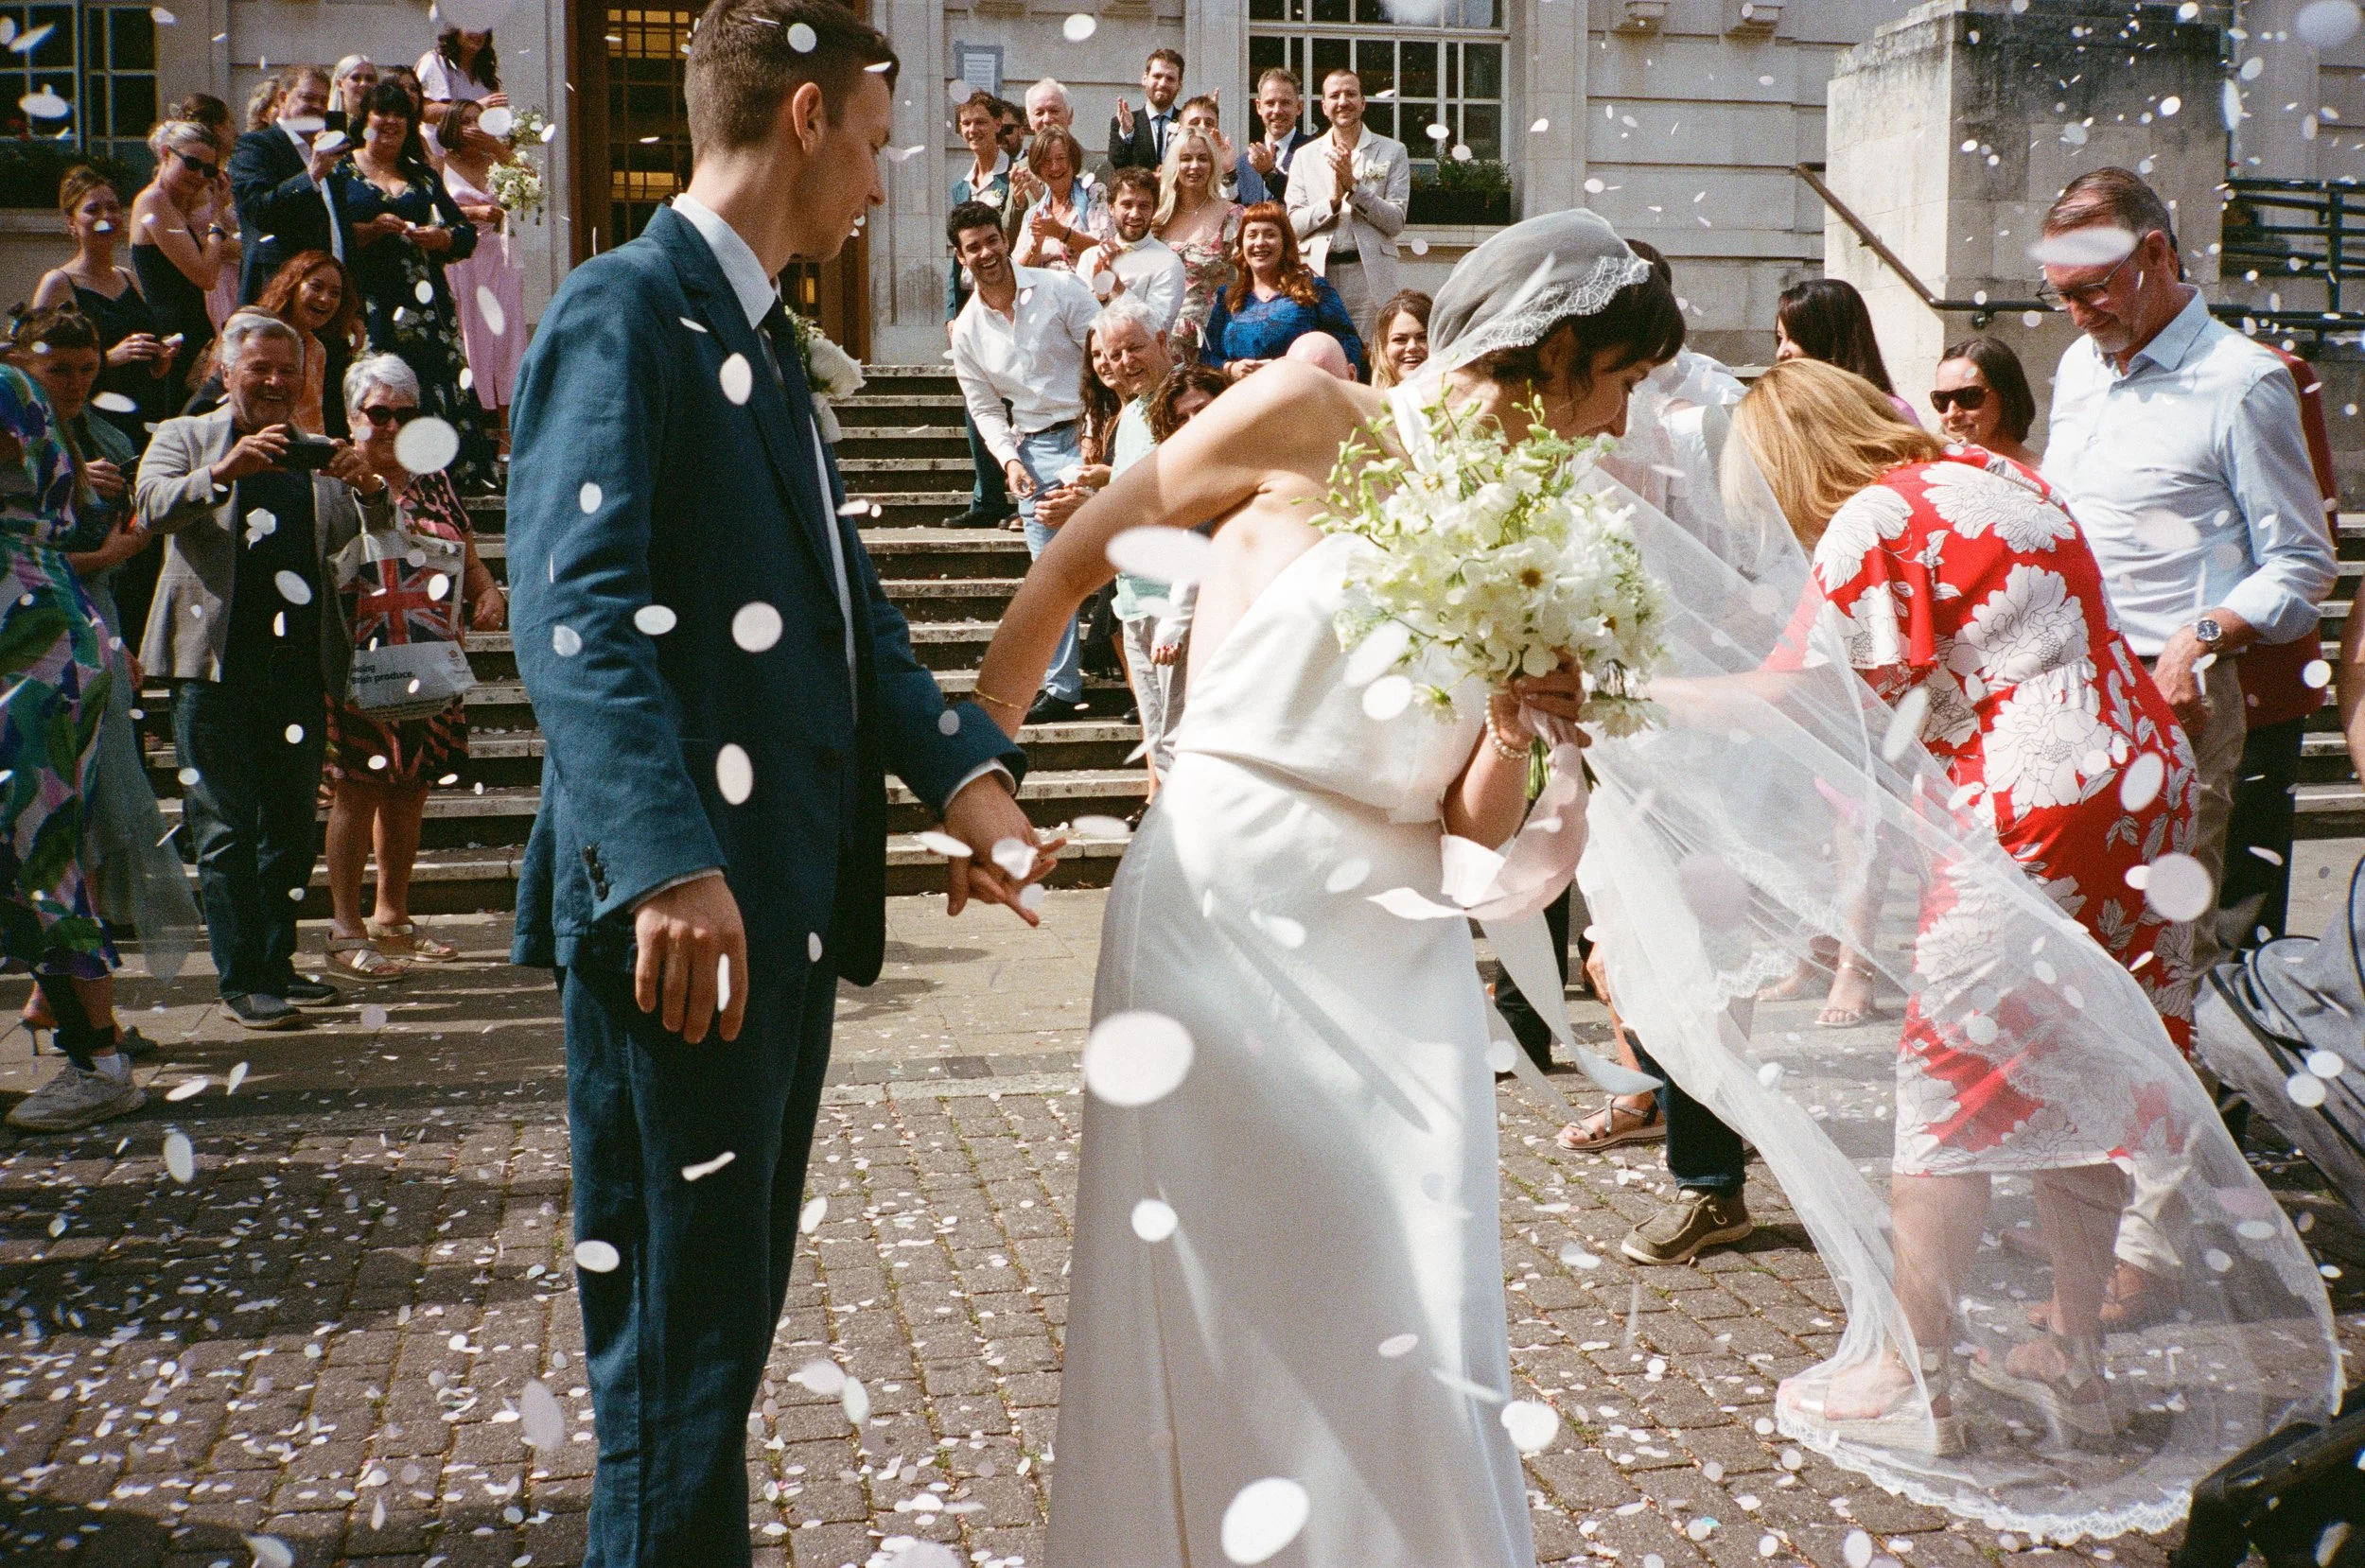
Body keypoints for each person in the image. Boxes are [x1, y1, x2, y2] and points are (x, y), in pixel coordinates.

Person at [972, 207, 1668, 1565]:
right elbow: (1072, 561)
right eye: (1622, 382)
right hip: (1225, 897)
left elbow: (1471, 831)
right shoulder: (1304, 413)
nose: (1622, 424)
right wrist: (977, 778)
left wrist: (1518, 724)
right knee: (1220, 1299)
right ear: (1558, 352)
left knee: (1418, 1301)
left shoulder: (1549, 536)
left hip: (1399, 948)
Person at [505, 7, 1044, 1561]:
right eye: (873, 142)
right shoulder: (625, 308)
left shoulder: (749, 332)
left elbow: (841, 614)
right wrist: (665, 860)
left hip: (772, 916)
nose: (882, 183)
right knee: (679, 1365)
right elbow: (573, 613)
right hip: (685, 927)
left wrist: (972, 786)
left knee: (717, 1342)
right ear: (805, 116)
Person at [1735, 353, 2213, 1450]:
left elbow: (1790, 693)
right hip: (2139, 784)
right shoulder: (1997, 473)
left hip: (2030, 801)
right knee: (2077, 1071)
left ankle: (1918, 1382)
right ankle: (2074, 1362)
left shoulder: (1868, 515)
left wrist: (1626, 688)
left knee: (1941, 1086)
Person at [135, 312, 391, 1030]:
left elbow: (371, 540)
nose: (276, 382)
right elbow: (148, 507)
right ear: (226, 373)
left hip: (298, 668)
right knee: (223, 829)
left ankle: (277, 964)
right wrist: (224, 472)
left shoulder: (316, 453)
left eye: (288, 371)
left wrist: (369, 488)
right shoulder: (184, 437)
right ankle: (241, 978)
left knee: (289, 827)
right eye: (260, 369)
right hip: (212, 667)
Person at [7, 310, 201, 1035]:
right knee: (51, 831)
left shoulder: (65, 431)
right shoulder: (40, 431)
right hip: (57, 621)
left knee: (61, 829)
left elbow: (47, 552)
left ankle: (92, 1034)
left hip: (54, 632)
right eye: (59, 369)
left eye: (86, 370)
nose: (74, 383)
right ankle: (69, 1013)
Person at [0, 359, 146, 1132]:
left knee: (37, 849)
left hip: (29, 644)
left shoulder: (7, 387)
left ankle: (99, 1063)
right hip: (33, 628)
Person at [322, 354, 500, 980]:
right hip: (360, 659)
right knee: (359, 787)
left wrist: (486, 590)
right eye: (378, 413)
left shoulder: (432, 478)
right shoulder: (332, 477)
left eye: (405, 412)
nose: (393, 425)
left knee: (411, 786)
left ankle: (392, 917)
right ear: (351, 416)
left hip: (428, 655)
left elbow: (466, 554)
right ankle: (344, 929)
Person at [947, 200, 1102, 723]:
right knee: (1049, 577)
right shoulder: (967, 330)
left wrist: (1097, 434)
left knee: (1119, 555)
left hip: (1089, 434)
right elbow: (985, 408)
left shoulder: (1059, 288)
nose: (986, 253)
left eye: (992, 240)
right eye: (973, 247)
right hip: (1033, 449)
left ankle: (1131, 670)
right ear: (960, 256)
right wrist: (1009, 462)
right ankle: (1062, 688)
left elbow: (1103, 360)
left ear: (1004, 238)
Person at [2219, 342, 2340, 947]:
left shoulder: (2265, 374)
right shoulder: (2096, 371)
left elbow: (2310, 535)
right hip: (2143, 670)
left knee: (2242, 886)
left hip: (2253, 673)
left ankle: (2239, 997)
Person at [329, 81, 493, 493]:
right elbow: (325, 233)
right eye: (381, 114)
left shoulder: (422, 175)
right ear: (364, 120)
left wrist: (442, 238)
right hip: (367, 302)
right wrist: (369, 230)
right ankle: (373, 481)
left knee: (432, 386)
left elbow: (464, 233)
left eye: (400, 116)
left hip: (424, 306)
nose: (390, 123)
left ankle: (442, 484)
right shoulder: (340, 171)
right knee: (374, 393)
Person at [30, 166, 173, 451]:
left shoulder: (127, 277)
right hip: (95, 423)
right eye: (93, 210)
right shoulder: (59, 283)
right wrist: (109, 357)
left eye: (113, 208)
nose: (106, 217)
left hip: (144, 414)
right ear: (72, 223)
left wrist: (159, 361)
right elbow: (37, 361)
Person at [1282, 67, 1410, 338]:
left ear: (1363, 103)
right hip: (1318, 274)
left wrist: (1354, 188)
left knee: (1371, 354)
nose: (1343, 102)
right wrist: (1331, 202)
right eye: (1335, 95)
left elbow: (1395, 222)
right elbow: (1292, 226)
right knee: (1321, 353)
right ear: (1324, 107)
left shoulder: (1392, 151)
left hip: (1369, 277)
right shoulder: (1305, 156)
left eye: (1350, 94)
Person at [944, 91, 1015, 531]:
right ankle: (987, 497)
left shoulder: (1016, 175)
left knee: (1012, 397)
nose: (973, 130)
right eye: (966, 124)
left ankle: (1021, 493)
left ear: (997, 125)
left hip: (1007, 297)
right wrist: (952, 311)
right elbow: (953, 254)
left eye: (981, 122)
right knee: (976, 399)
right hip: (972, 303)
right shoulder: (960, 185)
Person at [1199, 201, 1366, 381]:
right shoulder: (1228, 297)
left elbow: (1349, 344)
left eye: (1270, 235)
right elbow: (1207, 358)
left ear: (1285, 243)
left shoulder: (1313, 289)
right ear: (1241, 244)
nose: (1260, 243)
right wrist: (1231, 368)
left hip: (1303, 390)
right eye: (1252, 235)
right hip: (1244, 393)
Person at [131, 120, 234, 412]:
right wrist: (216, 218)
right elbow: (206, 275)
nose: (199, 176)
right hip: (171, 334)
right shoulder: (153, 200)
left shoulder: (175, 204)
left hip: (190, 329)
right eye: (191, 163)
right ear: (166, 153)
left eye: (209, 170)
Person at [439, 96, 528, 427]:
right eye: (465, 121)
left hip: (498, 255)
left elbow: (531, 183)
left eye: (479, 120)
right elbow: (431, 209)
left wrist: (495, 146)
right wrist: (473, 212)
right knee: (469, 332)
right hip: (462, 259)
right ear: (451, 126)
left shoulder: (495, 160)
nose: (473, 128)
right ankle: (471, 420)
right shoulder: (440, 162)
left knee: (506, 334)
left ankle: (507, 428)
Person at [229, 64, 343, 302]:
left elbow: (339, 229)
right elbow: (257, 210)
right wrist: (310, 176)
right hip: (278, 291)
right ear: (283, 98)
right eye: (308, 98)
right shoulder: (256, 145)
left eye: (323, 101)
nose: (317, 107)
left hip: (327, 297)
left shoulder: (325, 153)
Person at [1775, 277, 1918, 426]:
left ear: (1829, 340)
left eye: (1794, 338)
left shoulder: (1892, 414)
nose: (1780, 353)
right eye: (1780, 337)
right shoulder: (1777, 411)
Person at [254, 252, 364, 439]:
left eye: (335, 293)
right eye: (316, 287)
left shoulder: (317, 350)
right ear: (292, 286)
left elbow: (313, 424)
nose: (325, 299)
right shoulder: (253, 335)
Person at [1152, 126, 1241, 356]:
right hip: (1160, 338)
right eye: (1186, 159)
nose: (1195, 166)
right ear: (1174, 164)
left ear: (1213, 165)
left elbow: (1244, 280)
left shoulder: (1231, 215)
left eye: (1203, 159)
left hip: (1212, 339)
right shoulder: (1158, 218)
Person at [169, 94, 247, 334]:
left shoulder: (220, 176)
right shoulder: (193, 184)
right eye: (231, 123)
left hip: (234, 275)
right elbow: (191, 240)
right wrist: (247, 248)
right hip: (216, 282)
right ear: (218, 128)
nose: (236, 132)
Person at [1076, 166, 1184, 331]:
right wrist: (1101, 294)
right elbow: (1080, 325)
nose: (1134, 214)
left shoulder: (1169, 262)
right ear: (1111, 208)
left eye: (1144, 206)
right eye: (1127, 205)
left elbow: (1158, 327)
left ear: (1154, 210)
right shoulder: (1090, 257)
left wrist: (1117, 286)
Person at [1931, 335, 2040, 469]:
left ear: (2006, 395)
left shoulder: (2048, 477)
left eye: (1969, 396)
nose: (1951, 414)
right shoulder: (1932, 471)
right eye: (1941, 399)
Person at [1009, 125, 1104, 271]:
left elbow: (1105, 249)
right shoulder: (1033, 215)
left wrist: (1061, 232)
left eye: (1061, 158)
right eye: (1046, 161)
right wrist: (1036, 246)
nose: (1054, 167)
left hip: (1084, 283)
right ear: (1037, 167)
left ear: (1072, 159)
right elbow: (1018, 271)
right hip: (1042, 284)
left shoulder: (1093, 194)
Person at [1109, 46, 1184, 171]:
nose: (1162, 84)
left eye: (1170, 79)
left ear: (1179, 85)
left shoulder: (1187, 122)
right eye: (1157, 76)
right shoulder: (1122, 123)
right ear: (1145, 78)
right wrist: (1127, 133)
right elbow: (1116, 169)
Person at [1176, 94, 1259, 206]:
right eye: (1195, 122)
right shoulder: (1171, 162)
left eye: (1209, 123)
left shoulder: (1224, 164)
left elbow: (1231, 200)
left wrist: (1227, 170)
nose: (1202, 127)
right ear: (1180, 129)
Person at [418, 26, 505, 131]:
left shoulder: (485, 73)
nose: (478, 33)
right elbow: (425, 111)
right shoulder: (436, 61)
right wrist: (475, 107)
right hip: (438, 140)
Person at [1243, 67, 1311, 199]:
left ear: (1299, 107)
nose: (1277, 110)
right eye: (1270, 103)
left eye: (1285, 103)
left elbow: (1310, 201)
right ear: (1259, 107)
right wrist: (1227, 173)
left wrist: (1270, 174)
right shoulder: (1245, 162)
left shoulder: (1314, 152)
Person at [1368, 288, 1431, 389]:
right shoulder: (1365, 398)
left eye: (1423, 338)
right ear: (1383, 348)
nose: (1412, 347)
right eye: (1400, 339)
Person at [328, 54, 378, 135]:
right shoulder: (326, 122)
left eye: (369, 79)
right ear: (340, 84)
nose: (364, 84)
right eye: (356, 78)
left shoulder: (380, 126)